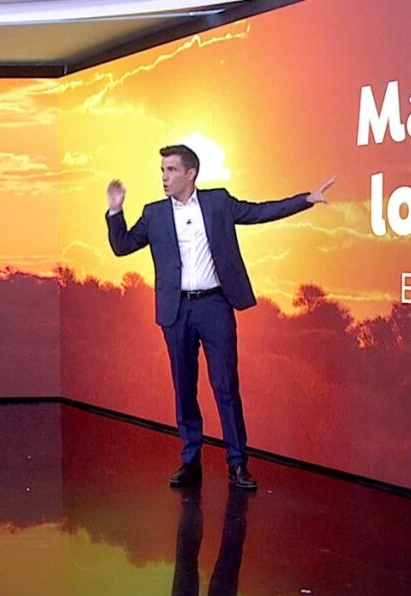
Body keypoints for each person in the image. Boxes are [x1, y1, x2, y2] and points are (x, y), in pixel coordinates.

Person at [105, 144, 335, 490]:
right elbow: (122, 246)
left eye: (171, 170)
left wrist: (306, 199)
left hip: (214, 307)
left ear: (190, 173)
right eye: (162, 170)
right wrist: (115, 211)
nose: (164, 176)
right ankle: (190, 461)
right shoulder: (154, 213)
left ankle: (238, 463)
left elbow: (259, 212)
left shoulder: (218, 202)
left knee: (226, 386)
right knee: (184, 388)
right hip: (176, 311)